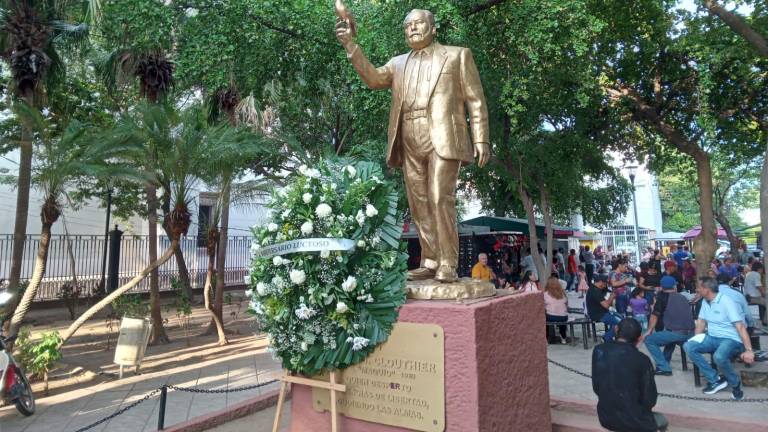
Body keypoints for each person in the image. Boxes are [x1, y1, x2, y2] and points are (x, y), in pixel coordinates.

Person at [336, 8, 489, 283]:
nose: (413, 29)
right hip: (408, 136)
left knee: (440, 197)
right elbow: (372, 78)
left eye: (419, 24)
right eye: (408, 26)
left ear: (433, 28)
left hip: (443, 137)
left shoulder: (457, 55)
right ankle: (430, 260)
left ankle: (448, 263)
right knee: (418, 204)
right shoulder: (398, 63)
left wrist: (481, 138)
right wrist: (350, 45)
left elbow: (475, 100)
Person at [683, 277, 755, 399]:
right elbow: (701, 322)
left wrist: (749, 350)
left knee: (719, 356)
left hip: (731, 339)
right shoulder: (705, 301)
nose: (697, 290)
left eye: (699, 287)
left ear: (707, 289)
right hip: (712, 337)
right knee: (688, 346)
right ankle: (715, 379)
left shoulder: (726, 302)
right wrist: (697, 339)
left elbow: (740, 327)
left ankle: (735, 383)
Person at [592, 318, 668, 432]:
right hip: (634, 419)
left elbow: (597, 387)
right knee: (662, 421)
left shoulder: (599, 350)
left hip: (606, 416)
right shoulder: (642, 360)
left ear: (616, 329)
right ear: (639, 338)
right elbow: (649, 399)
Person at [643, 276, 695, 376]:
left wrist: (649, 331)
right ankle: (664, 363)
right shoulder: (682, 296)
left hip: (678, 333)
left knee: (649, 340)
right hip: (692, 332)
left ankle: (664, 367)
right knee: (669, 336)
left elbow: (654, 316)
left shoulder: (662, 298)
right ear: (674, 286)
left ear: (661, 287)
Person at [586, 274, 622, 342]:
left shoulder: (594, 288)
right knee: (619, 324)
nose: (606, 285)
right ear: (600, 282)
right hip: (598, 315)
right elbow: (606, 305)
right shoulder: (595, 291)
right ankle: (606, 338)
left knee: (620, 317)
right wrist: (611, 296)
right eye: (605, 283)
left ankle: (610, 337)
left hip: (602, 312)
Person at [544, 276, 569, 344]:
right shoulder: (562, 293)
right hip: (563, 316)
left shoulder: (545, 294)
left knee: (545, 321)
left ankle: (546, 339)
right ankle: (563, 338)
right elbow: (566, 304)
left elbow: (544, 305)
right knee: (562, 321)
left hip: (551, 317)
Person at [744, 262, 766, 326]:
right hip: (753, 298)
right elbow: (759, 286)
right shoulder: (756, 274)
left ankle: (763, 319)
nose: (762, 271)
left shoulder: (749, 274)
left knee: (763, 302)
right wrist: (764, 293)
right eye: (762, 269)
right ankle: (765, 321)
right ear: (759, 269)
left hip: (748, 296)